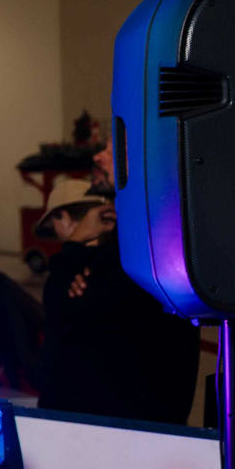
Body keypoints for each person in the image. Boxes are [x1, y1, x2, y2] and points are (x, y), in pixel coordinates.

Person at [35, 177, 198, 424]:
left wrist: (72, 247)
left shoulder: (95, 272)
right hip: (151, 419)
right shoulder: (140, 260)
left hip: (100, 421)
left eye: (53, 226)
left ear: (64, 218)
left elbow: (59, 314)